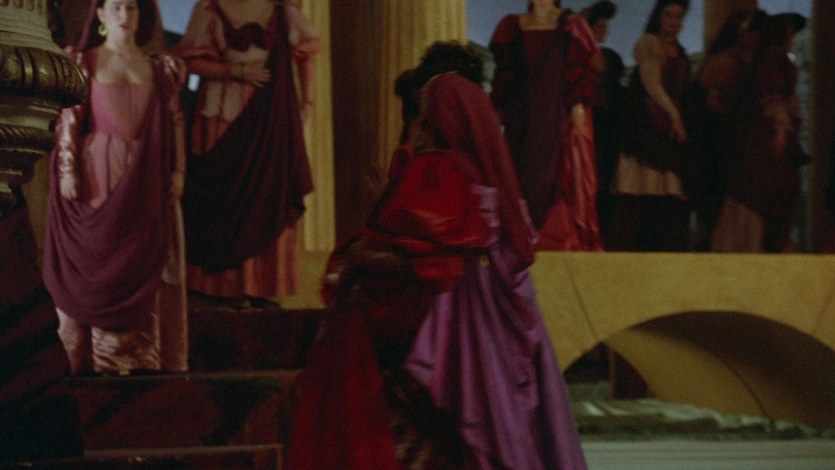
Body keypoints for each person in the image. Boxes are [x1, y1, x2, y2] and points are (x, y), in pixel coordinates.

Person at [287, 55, 587, 468]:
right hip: (487, 330)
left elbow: (424, 257)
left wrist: (356, 258)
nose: (420, 124)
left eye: (426, 114)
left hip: (438, 327)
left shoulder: (437, 170)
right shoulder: (487, 177)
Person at [43, 0, 188, 374]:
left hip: (148, 171)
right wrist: (68, 170)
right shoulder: (85, 61)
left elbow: (174, 121)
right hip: (100, 170)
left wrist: (178, 170)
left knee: (140, 254)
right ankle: (89, 357)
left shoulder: (160, 67)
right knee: (102, 255)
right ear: (101, 15)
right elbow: (69, 120)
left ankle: (137, 356)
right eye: (117, 7)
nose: (125, 15)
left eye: (131, 8)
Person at [172, 0, 320, 304]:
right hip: (222, 114)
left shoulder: (282, 10)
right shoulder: (210, 8)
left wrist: (306, 104)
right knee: (224, 192)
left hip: (272, 113)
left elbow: (305, 58)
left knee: (270, 192)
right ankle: (222, 288)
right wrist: (235, 70)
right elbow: (190, 63)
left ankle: (261, 286)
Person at [489, 0, 602, 251]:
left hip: (554, 109)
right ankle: (519, 235)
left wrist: (578, 104)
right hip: (521, 112)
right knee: (518, 168)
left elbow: (580, 67)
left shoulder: (570, 24)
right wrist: (498, 106)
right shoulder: (512, 25)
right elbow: (506, 71)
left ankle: (549, 237)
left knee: (552, 168)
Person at [708, 13, 808, 252]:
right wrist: (781, 130)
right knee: (764, 194)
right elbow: (772, 95)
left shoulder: (766, 59)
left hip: (764, 139)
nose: (791, 38)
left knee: (762, 195)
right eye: (788, 32)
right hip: (767, 140)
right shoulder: (775, 58)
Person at [606, 0, 694, 252]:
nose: (673, 22)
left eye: (678, 17)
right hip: (646, 124)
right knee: (636, 191)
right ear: (659, 17)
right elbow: (651, 82)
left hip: (668, 128)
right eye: (669, 15)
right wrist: (674, 116)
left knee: (668, 194)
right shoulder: (649, 43)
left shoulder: (679, 51)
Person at [583, 0, 623, 246]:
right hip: (586, 127)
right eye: (599, 27)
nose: (604, 32)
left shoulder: (608, 58)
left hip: (604, 129)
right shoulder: (576, 58)